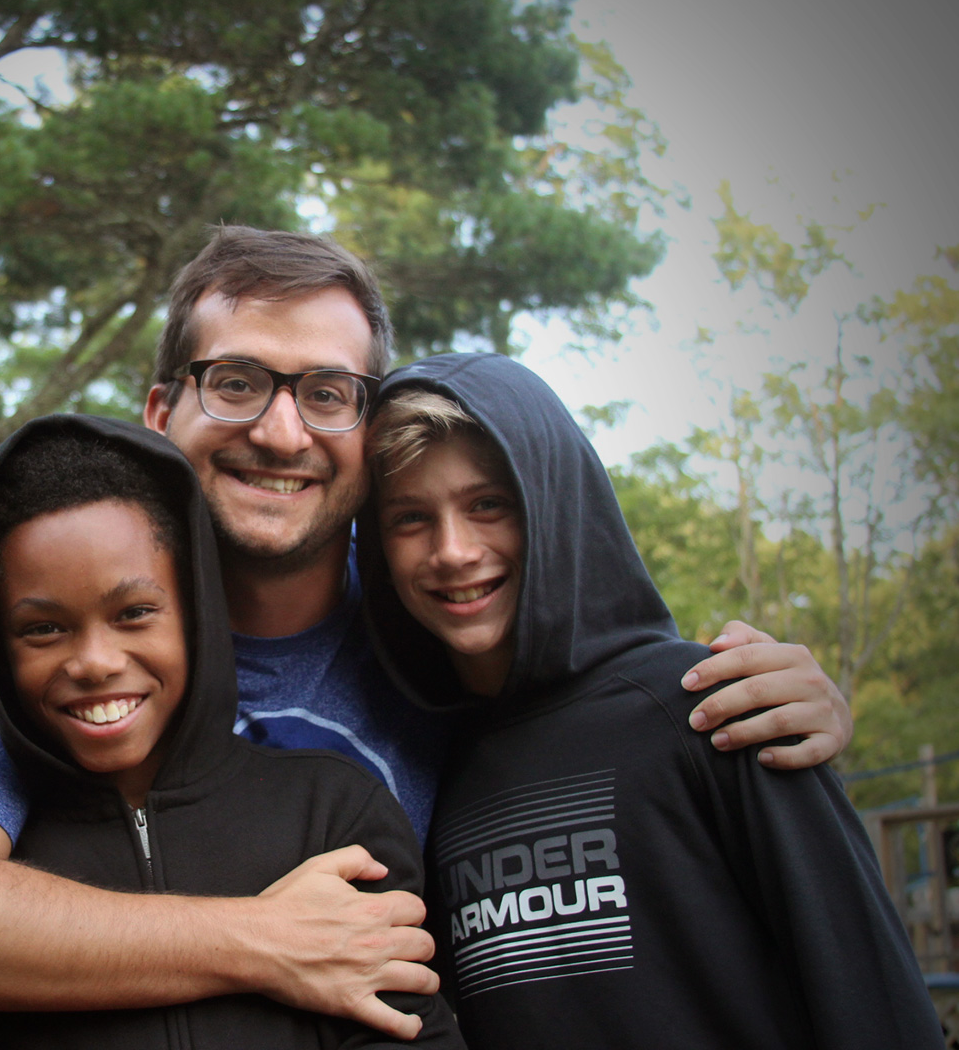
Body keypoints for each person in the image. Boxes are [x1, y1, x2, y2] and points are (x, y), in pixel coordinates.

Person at [0, 227, 853, 1040]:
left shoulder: (439, 611)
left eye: (327, 394)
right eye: (237, 381)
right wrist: (262, 941)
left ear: (369, 432)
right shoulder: (69, 643)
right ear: (159, 413)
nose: (282, 432)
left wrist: (750, 698)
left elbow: (603, 702)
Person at [357, 352, 940, 1049]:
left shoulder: (720, 707)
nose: (453, 550)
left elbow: (870, 994)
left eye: (489, 504)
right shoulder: (429, 768)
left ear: (553, 501)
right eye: (411, 518)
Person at [0, 413, 466, 1047]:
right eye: (44, 628)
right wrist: (264, 939)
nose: (95, 661)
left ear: (196, 612)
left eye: (134, 613)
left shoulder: (336, 815)